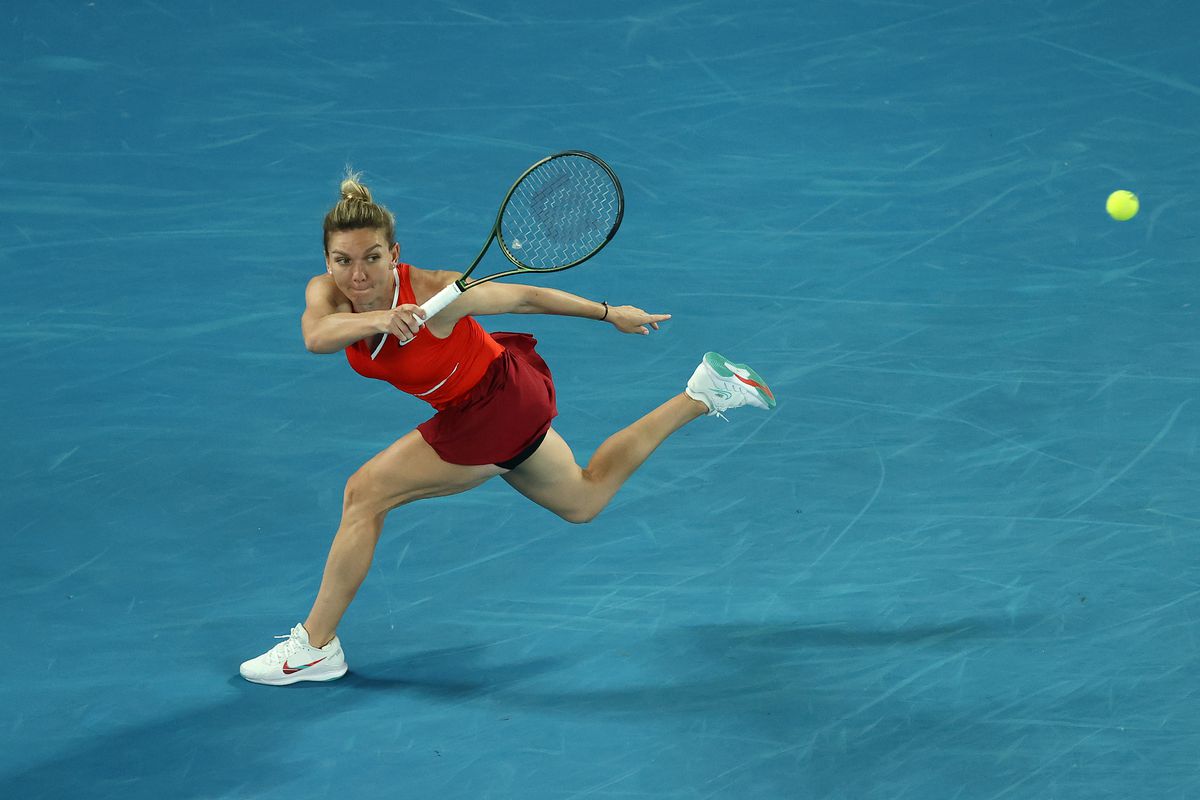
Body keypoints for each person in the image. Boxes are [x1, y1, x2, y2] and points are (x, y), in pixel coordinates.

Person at [239, 173, 776, 685]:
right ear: (327, 261)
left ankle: (314, 647)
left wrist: (609, 312)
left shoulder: (438, 292)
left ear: (394, 255)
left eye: (372, 258)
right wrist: (381, 318)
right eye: (343, 260)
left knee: (365, 495)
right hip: (489, 406)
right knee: (583, 499)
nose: (358, 275)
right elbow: (316, 335)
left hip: (497, 405)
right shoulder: (325, 294)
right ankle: (703, 392)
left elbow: (525, 297)